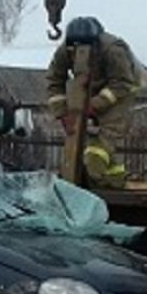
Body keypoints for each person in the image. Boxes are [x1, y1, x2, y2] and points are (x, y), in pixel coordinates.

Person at [46, 16, 139, 188]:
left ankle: (96, 181)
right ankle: (113, 179)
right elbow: (54, 80)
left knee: (99, 146)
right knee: (80, 141)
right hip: (90, 89)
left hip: (121, 92)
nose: (79, 51)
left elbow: (122, 83)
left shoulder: (113, 49)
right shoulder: (65, 49)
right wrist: (62, 113)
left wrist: (94, 105)